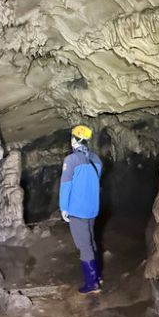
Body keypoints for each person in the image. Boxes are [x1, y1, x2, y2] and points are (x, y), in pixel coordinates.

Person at [60, 125, 103, 294]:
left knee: (84, 245)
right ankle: (97, 276)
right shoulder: (96, 160)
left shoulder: (71, 160)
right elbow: (93, 180)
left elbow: (66, 185)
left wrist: (64, 207)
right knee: (91, 241)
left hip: (77, 210)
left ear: (74, 140)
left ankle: (92, 284)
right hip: (92, 209)